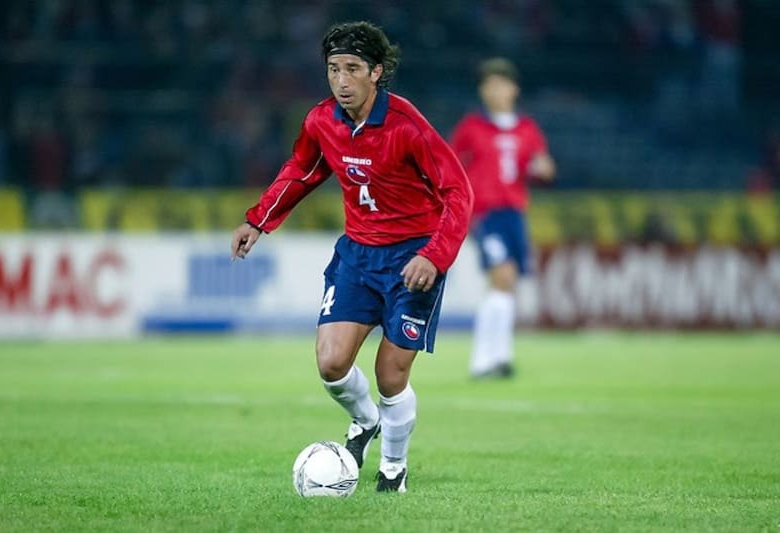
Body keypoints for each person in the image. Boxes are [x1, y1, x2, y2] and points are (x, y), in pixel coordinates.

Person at [231, 21, 473, 493]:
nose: (341, 81)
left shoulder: (407, 127)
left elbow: (458, 191)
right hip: (358, 256)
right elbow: (302, 170)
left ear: (376, 73)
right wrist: (258, 220)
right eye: (333, 70)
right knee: (330, 362)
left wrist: (435, 256)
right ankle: (365, 421)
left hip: (411, 261)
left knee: (390, 372)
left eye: (352, 69)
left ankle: (392, 471)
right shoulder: (323, 121)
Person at [450, 58, 555, 380]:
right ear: (482, 90)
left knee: (507, 286)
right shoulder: (471, 127)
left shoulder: (527, 128)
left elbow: (545, 166)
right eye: (489, 85)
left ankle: (501, 356)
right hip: (485, 213)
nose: (495, 91)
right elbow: (449, 163)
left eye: (501, 84)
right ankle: (481, 361)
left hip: (515, 213)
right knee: (503, 276)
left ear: (514, 88)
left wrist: (542, 168)